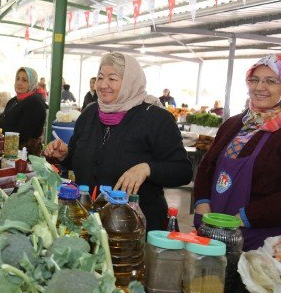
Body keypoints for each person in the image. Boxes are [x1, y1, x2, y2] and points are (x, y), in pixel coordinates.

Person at [45, 52, 192, 231]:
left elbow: (183, 170)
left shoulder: (156, 119)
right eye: (100, 77)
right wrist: (65, 154)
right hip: (88, 223)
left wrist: (148, 169)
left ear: (130, 81)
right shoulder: (90, 114)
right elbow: (78, 158)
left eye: (112, 79)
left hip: (134, 229)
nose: (102, 85)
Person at [193, 55, 281, 251]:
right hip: (214, 229)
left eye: (271, 81)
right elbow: (207, 166)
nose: (260, 87)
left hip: (259, 240)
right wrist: (202, 203)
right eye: (255, 80)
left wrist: (244, 218)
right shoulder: (234, 123)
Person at [0, 67, 47, 155]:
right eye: (17, 79)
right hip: (9, 149)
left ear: (32, 83)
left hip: (24, 153)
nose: (19, 83)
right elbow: (2, 118)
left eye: (24, 80)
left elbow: (24, 133)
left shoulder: (35, 102)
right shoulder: (14, 100)